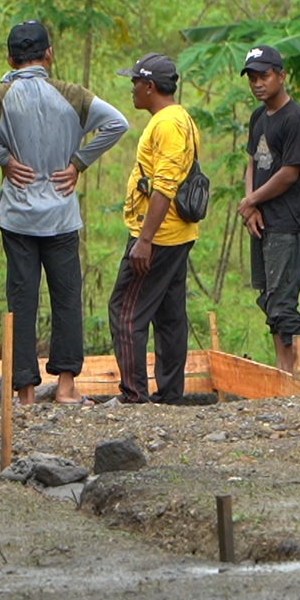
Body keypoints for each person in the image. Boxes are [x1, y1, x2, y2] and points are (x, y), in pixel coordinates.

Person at [0, 20, 128, 405]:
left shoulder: (0, 95)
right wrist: (79, 163)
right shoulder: (70, 93)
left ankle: (25, 391)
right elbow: (117, 123)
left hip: (18, 215)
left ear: (9, 58)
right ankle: (66, 386)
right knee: (67, 296)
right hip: (61, 215)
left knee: (22, 299)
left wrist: (2, 159)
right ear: (49, 54)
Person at [108, 53, 199, 404]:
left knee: (125, 311)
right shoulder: (181, 119)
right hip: (176, 235)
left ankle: (134, 395)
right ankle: (171, 394)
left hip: (159, 237)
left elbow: (164, 186)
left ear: (149, 86)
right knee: (169, 313)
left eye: (134, 82)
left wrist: (144, 240)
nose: (131, 89)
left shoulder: (167, 125)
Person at [238, 45, 300, 374]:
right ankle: (284, 370)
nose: (258, 83)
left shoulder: (294, 119)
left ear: (281, 76)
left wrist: (252, 200)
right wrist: (250, 207)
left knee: (284, 302)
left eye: (265, 76)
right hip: (264, 220)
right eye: (253, 78)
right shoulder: (259, 117)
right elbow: (253, 164)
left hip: (288, 220)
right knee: (269, 300)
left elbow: (290, 172)